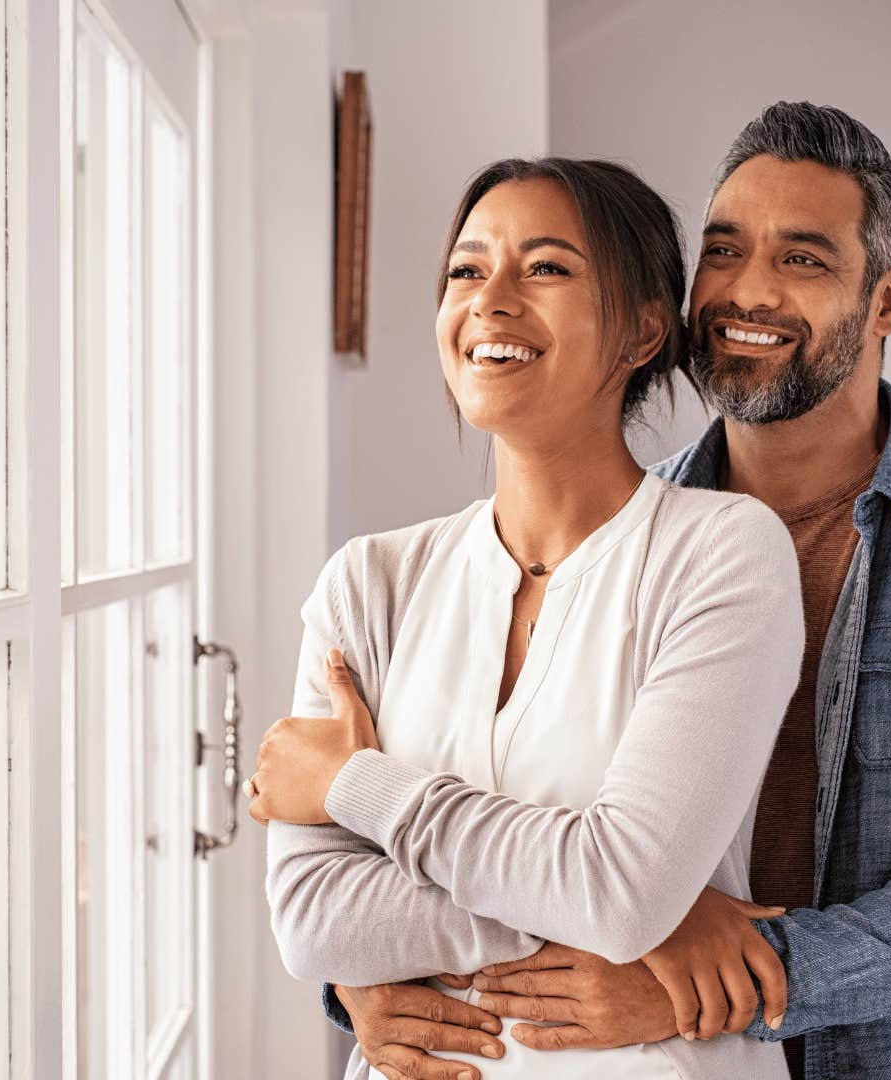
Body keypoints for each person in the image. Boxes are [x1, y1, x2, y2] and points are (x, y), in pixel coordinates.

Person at [328, 102, 891, 1080]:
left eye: (803, 260)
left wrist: (744, 975)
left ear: (888, 300)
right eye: (724, 250)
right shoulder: (611, 538)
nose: (748, 292)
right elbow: (512, 813)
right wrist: (361, 974)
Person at [249, 157, 805, 1079]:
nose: (491, 300)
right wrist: (627, 903)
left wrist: (354, 785)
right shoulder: (368, 583)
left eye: (545, 268)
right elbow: (311, 920)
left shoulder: (722, 554)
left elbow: (621, 889)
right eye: (466, 271)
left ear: (641, 330)